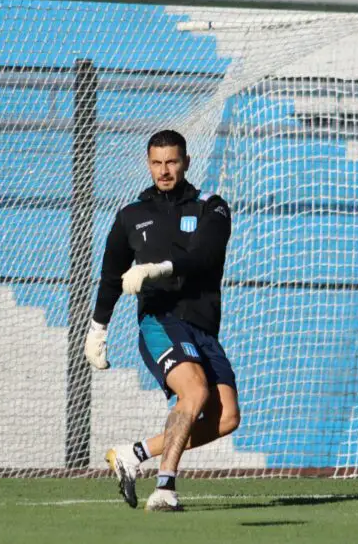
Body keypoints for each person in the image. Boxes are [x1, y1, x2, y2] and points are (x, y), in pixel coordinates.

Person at [84, 130, 240, 512]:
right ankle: (165, 487)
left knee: (227, 418)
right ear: (148, 163)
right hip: (160, 320)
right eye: (157, 163)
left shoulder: (212, 207)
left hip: (202, 324)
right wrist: (97, 329)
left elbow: (205, 255)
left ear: (185, 162)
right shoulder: (131, 216)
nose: (164, 170)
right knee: (194, 392)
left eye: (172, 162)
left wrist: (158, 268)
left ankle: (131, 454)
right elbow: (110, 276)